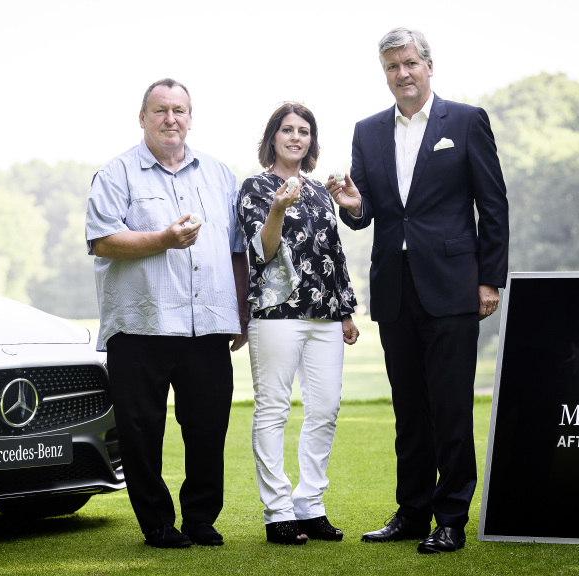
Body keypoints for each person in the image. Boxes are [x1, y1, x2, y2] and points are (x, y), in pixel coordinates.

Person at [326, 28, 509, 554]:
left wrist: (489, 279)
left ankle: (450, 517)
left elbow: (492, 207)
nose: (401, 74)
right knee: (409, 409)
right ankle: (411, 512)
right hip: (394, 288)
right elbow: (364, 217)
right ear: (383, 74)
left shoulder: (467, 121)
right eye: (391, 67)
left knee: (450, 407)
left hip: (453, 287)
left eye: (409, 63)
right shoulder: (367, 130)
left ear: (429, 65)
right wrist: (352, 203)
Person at [85, 78, 249, 549]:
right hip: (140, 325)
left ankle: (200, 518)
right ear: (142, 118)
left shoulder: (220, 175)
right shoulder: (116, 174)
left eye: (179, 110)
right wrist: (162, 239)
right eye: (160, 111)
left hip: (208, 326)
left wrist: (240, 310)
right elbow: (102, 240)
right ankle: (156, 524)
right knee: (140, 432)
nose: (170, 119)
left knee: (207, 427)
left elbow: (238, 250)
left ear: (191, 118)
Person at [237, 102, 360, 545]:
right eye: (287, 130)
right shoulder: (255, 187)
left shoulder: (321, 191)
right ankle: (278, 512)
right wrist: (277, 210)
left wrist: (345, 309)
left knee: (325, 408)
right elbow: (261, 253)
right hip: (276, 315)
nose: (295, 137)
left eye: (303, 131)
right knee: (274, 410)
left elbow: (333, 253)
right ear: (272, 137)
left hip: (325, 316)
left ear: (311, 141)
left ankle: (310, 506)